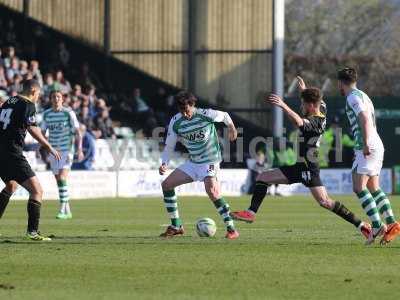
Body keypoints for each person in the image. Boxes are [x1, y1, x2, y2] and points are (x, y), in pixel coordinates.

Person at [231, 77, 372, 241]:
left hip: (308, 169)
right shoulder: (322, 108)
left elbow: (299, 121)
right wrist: (303, 90)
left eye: (304, 104)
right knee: (263, 177)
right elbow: (317, 99)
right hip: (300, 166)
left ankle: (362, 225)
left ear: (311, 106)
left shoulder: (316, 122)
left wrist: (283, 106)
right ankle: (251, 213)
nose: (302, 106)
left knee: (325, 202)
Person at [159, 91, 239, 239]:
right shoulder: (176, 121)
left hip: (210, 160)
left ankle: (231, 229)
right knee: (167, 185)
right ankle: (176, 226)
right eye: (181, 111)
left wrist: (232, 128)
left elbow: (226, 116)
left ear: (192, 105)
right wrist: (164, 163)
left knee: (213, 192)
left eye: (187, 110)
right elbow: (169, 146)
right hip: (194, 162)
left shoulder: (206, 114)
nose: (185, 114)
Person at [337, 67, 400, 245]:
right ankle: (392, 224)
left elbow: (364, 118)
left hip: (367, 144)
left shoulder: (352, 97)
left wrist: (365, 143)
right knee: (374, 187)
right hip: (377, 143)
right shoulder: (363, 95)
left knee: (359, 187)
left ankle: (377, 225)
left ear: (340, 83)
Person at [0, 79, 60, 241]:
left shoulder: (9, 101)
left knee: (11, 186)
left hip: (1, 153)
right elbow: (33, 128)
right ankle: (32, 232)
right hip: (13, 153)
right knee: (37, 191)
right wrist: (49, 146)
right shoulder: (28, 105)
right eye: (38, 93)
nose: (38, 97)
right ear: (33, 90)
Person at [41, 90, 83, 219]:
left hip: (66, 149)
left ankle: (62, 209)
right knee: (58, 179)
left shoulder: (68, 113)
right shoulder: (46, 114)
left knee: (62, 177)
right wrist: (44, 146)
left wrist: (79, 149)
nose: (56, 99)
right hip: (54, 150)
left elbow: (78, 132)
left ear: (62, 99)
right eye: (54, 97)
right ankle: (67, 210)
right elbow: (42, 132)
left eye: (58, 97)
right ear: (50, 99)